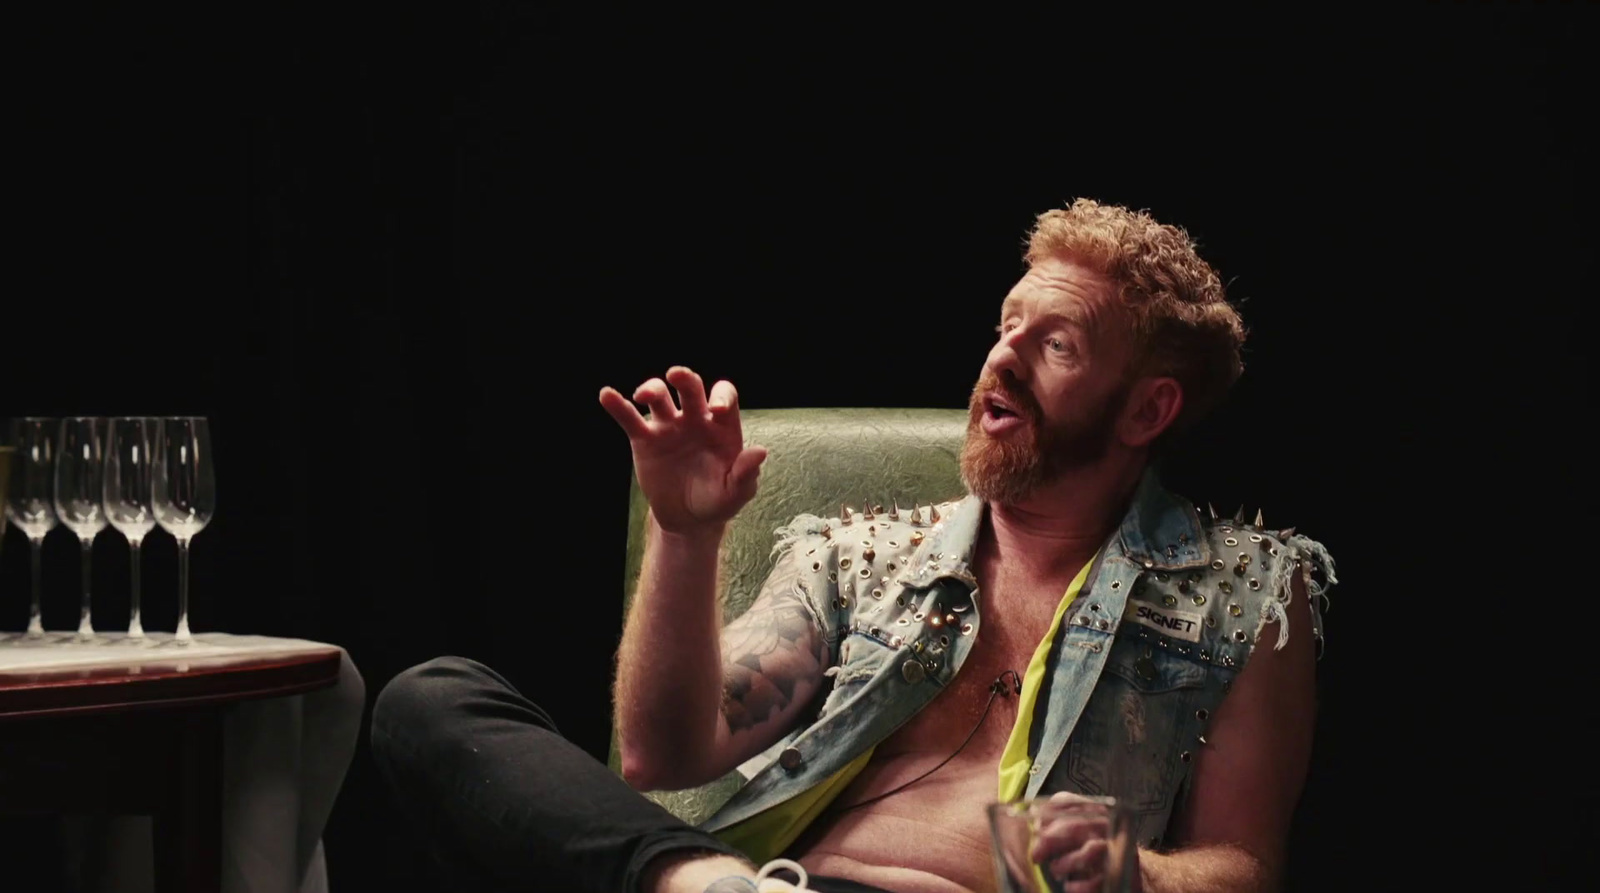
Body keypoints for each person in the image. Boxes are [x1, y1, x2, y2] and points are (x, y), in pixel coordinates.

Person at [370, 198, 1337, 893]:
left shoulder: (1247, 590)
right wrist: (687, 531)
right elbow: (662, 754)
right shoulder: (864, 555)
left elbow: (1243, 865)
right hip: (778, 883)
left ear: (1147, 409)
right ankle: (702, 882)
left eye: (1058, 343)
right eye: (1007, 325)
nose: (1000, 356)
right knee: (431, 698)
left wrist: (1139, 872)